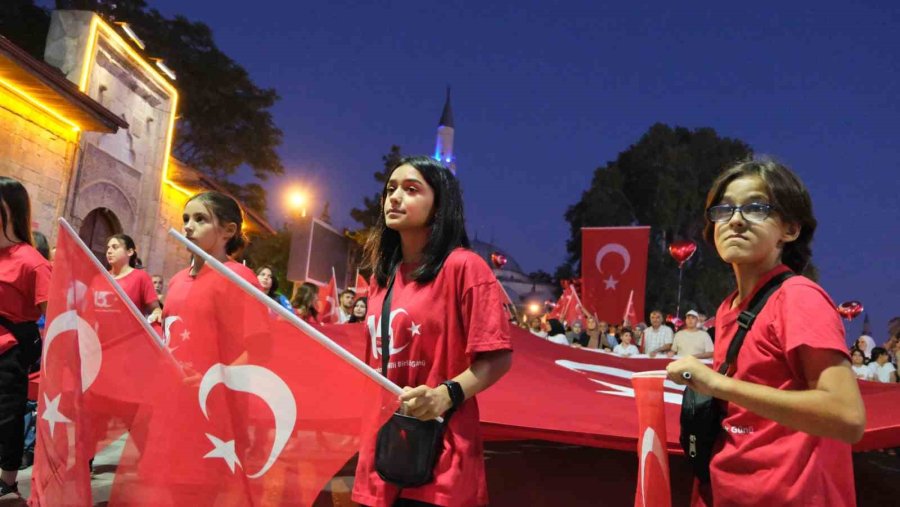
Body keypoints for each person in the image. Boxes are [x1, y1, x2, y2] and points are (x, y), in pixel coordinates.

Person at [666, 160, 865, 506]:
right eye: (724, 209)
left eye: (756, 208)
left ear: (790, 229)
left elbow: (846, 417)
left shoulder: (798, 297)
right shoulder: (729, 307)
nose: (735, 219)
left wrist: (715, 384)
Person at [352, 156, 512, 507]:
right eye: (390, 189)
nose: (395, 197)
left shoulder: (465, 267)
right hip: (381, 455)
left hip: (442, 458)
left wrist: (445, 394)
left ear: (439, 204)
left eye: (411, 190)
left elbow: (498, 357)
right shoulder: (381, 279)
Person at [136, 191, 268, 502]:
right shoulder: (177, 280)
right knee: (170, 489)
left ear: (228, 230)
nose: (188, 226)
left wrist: (216, 377)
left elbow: (260, 348)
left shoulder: (240, 277)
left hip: (215, 408)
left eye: (200, 219)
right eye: (186, 218)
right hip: (172, 403)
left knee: (202, 492)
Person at [0, 177, 51, 498]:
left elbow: (57, 318)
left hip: (10, 352)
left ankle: (7, 481)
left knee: (7, 416)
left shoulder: (33, 263)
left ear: (10, 210)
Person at [106, 234, 161, 322]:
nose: (109, 251)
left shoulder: (141, 277)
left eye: (115, 247)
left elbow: (155, 309)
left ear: (130, 252)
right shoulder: (100, 278)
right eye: (108, 248)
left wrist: (157, 313)